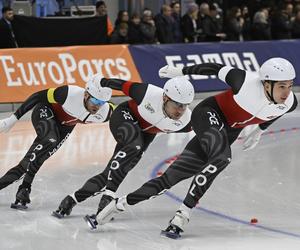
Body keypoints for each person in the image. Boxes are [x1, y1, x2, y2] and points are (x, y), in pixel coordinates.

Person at [92, 57, 298, 238]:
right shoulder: (244, 81)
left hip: (228, 131)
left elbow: (278, 111)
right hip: (209, 114)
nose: (286, 92)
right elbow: (214, 69)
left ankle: (119, 204)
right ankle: (183, 214)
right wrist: (181, 71)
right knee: (222, 157)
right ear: (266, 84)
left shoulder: (289, 102)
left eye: (290, 86)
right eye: (282, 86)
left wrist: (260, 129)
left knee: (169, 179)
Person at [53, 76, 195, 222]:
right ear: (165, 97)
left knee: (115, 171)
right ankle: (108, 196)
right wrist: (101, 82)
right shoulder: (148, 93)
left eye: (184, 105)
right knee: (134, 145)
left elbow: (208, 130)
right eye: (177, 104)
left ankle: (71, 200)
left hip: (145, 135)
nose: (180, 110)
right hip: (124, 117)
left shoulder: (187, 121)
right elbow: (119, 84)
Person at [0, 74, 114, 209]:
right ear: (86, 95)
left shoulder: (105, 113)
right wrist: (13, 119)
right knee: (50, 139)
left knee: (29, 162)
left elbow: (124, 116)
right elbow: (38, 96)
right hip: (45, 111)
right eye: (95, 101)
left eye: (102, 103)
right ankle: (25, 187)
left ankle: (24, 188)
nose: (98, 106)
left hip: (65, 127)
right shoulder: (68, 93)